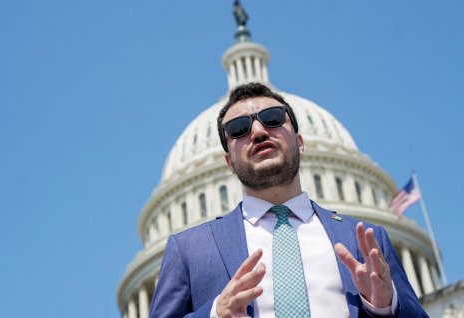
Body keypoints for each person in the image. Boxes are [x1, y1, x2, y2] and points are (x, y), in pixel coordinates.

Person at [149, 82, 428, 317]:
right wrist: (214, 314)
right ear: (229, 163)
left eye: (272, 119)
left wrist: (384, 307)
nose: (258, 132)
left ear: (300, 142)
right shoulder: (189, 250)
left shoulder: (365, 240)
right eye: (238, 129)